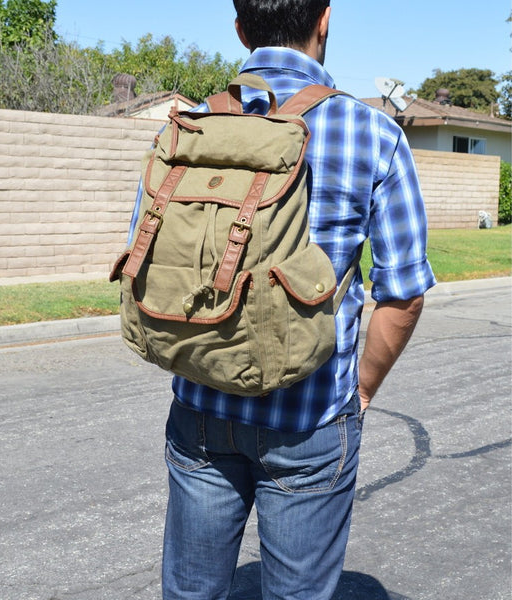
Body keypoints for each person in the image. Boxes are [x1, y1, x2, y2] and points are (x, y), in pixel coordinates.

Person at [158, 1, 436, 598]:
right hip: (310, 417)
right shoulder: (374, 134)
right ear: (325, 18)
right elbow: (404, 292)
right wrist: (359, 391)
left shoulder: (188, 129)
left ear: (240, 28)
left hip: (202, 406)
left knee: (190, 591)